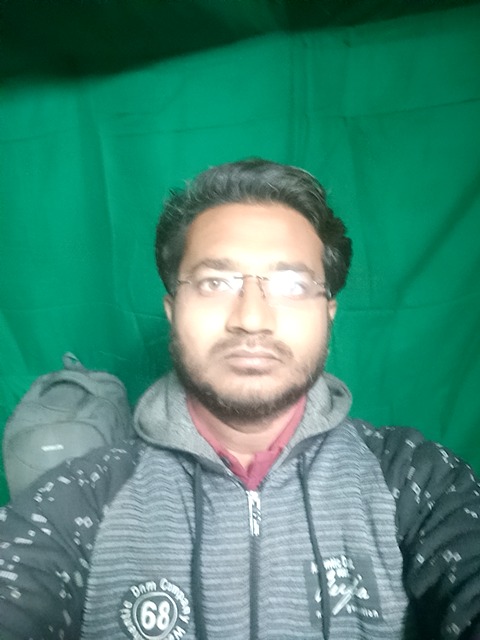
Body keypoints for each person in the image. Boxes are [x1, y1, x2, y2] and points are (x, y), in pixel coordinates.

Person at [1, 159, 479, 640]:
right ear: (172, 309)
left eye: (293, 286)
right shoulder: (82, 497)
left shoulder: (416, 479)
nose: (251, 319)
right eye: (215, 283)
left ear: (328, 313)